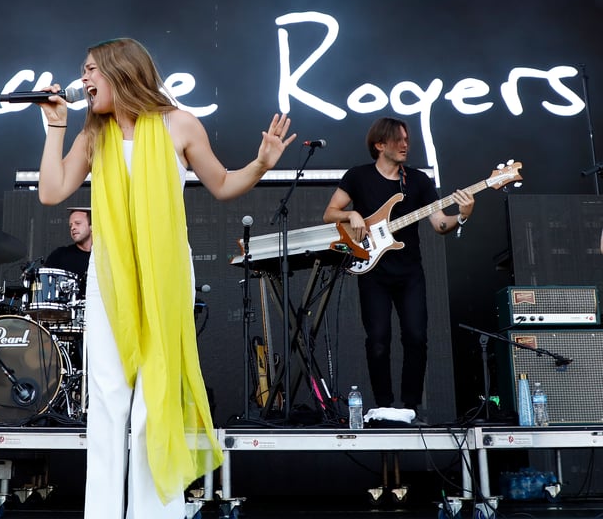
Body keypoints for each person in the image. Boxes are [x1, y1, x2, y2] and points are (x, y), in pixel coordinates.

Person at [34, 38, 296, 519]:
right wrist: (55, 126)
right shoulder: (94, 133)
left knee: (153, 404)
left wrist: (260, 163)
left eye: (91, 69)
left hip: (166, 275)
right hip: (110, 275)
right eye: (82, 71)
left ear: (121, 71)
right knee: (108, 403)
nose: (84, 79)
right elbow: (52, 192)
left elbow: (222, 184)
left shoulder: (179, 124)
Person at [322, 116, 474, 420]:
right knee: (377, 339)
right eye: (398, 140)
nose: (405, 144)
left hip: (409, 272)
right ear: (380, 145)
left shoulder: (418, 180)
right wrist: (351, 215)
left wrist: (463, 215)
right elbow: (329, 213)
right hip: (373, 270)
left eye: (407, 139)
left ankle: (409, 407)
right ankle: (383, 406)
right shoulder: (358, 176)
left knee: (416, 336)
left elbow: (439, 223)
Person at [44, 206, 92, 300]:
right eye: (71, 225)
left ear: (92, 226)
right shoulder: (59, 255)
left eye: (77, 223)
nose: (73, 228)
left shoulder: (104, 257)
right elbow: (43, 285)